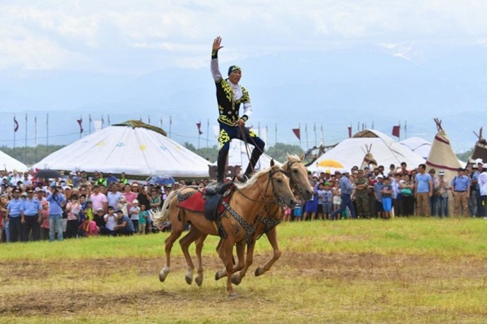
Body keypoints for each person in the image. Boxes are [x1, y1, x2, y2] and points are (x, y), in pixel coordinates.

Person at [211, 36, 265, 186]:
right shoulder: (221, 84)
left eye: (239, 73)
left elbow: (249, 107)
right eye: (234, 72)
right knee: (224, 148)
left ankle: (247, 174)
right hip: (225, 126)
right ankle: (220, 180)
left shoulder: (243, 91)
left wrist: (244, 118)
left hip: (238, 126)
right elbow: (215, 69)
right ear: (229, 74)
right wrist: (214, 53)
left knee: (260, 144)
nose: (237, 75)